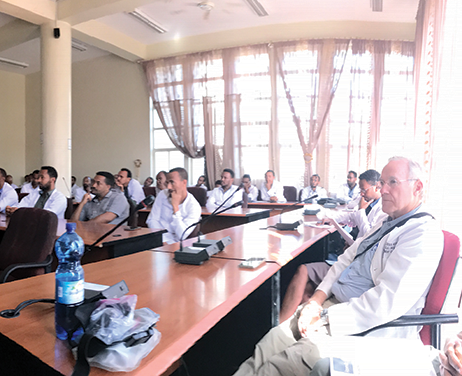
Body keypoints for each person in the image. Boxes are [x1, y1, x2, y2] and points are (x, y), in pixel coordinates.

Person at [233, 157, 443, 376]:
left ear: (417, 187)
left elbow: (385, 304)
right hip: (332, 307)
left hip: (364, 327)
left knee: (279, 365)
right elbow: (345, 259)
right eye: (382, 183)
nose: (383, 190)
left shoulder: (423, 233)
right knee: (267, 346)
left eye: (392, 182)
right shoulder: (386, 221)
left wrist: (324, 318)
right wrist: (315, 302)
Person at [278, 170, 384, 321]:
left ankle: (282, 325)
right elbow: (349, 216)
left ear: (377, 187)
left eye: (364, 190)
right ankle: (291, 325)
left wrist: (360, 211)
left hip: (355, 268)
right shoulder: (368, 204)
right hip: (350, 260)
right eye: (360, 190)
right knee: (307, 291)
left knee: (304, 275)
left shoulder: (381, 211)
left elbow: (368, 238)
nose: (361, 194)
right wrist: (330, 218)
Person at [146, 167, 202, 244]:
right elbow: (152, 220)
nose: (168, 187)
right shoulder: (162, 194)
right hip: (157, 239)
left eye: (172, 182)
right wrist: (162, 239)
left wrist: (175, 207)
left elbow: (182, 235)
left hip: (176, 245)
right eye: (167, 182)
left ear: (184, 183)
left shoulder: (194, 206)